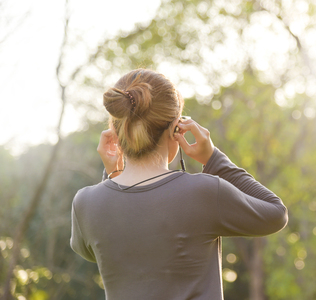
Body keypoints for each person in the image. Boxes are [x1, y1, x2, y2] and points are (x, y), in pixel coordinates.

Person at [70, 69, 288, 300]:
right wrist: (213, 158)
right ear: (176, 127)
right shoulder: (204, 192)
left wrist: (112, 175)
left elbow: (102, 251)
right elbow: (276, 213)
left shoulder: (85, 203)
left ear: (116, 129)